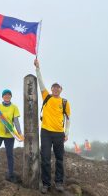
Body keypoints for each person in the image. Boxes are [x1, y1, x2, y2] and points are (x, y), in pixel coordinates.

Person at [34, 59, 71, 194]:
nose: (55, 89)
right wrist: (38, 68)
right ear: (51, 89)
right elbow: (40, 82)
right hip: (45, 132)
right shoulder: (47, 97)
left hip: (59, 133)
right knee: (45, 158)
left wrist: (66, 133)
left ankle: (59, 183)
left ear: (61, 89)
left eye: (58, 87)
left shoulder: (65, 102)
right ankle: (46, 184)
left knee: (59, 159)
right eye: (54, 87)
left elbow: (68, 119)